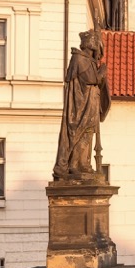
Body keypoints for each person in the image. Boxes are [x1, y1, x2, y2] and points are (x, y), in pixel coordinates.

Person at [53, 28, 111, 180]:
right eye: (97, 46)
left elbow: (97, 83)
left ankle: (84, 163)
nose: (98, 50)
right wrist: (102, 71)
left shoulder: (88, 61)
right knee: (80, 131)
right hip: (81, 105)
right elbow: (91, 79)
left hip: (90, 103)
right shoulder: (79, 59)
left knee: (88, 132)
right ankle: (75, 164)